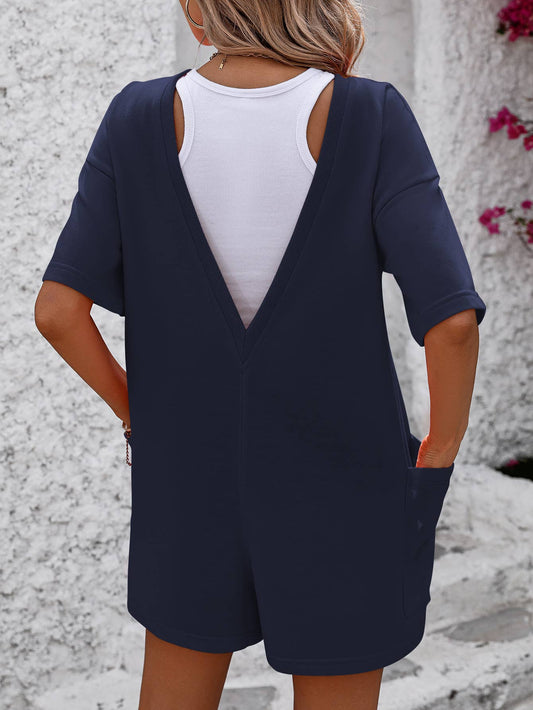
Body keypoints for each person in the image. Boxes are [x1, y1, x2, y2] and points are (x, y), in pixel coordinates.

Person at [34, 1, 487, 708]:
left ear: (199, 9)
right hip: (345, 472)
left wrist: (139, 415)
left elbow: (58, 312)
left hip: (186, 471)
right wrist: (440, 453)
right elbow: (452, 322)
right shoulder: (369, 116)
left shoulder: (137, 117)